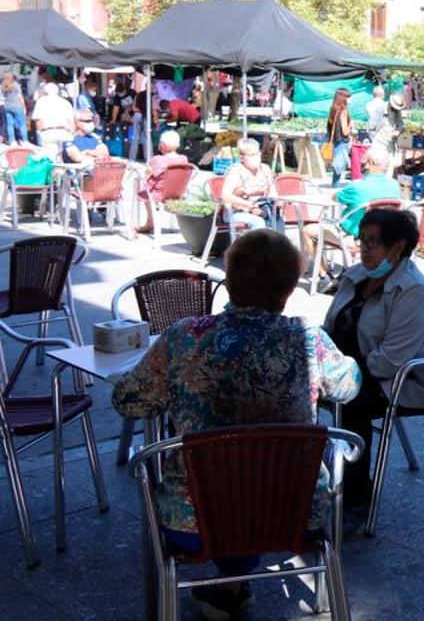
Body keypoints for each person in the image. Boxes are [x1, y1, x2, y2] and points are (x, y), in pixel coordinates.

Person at [111, 230, 361, 616]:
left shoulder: (184, 338)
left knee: (214, 474)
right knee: (261, 469)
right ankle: (232, 585)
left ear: (228, 281)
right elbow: (348, 386)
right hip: (295, 513)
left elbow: (128, 401)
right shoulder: (307, 338)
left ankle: (229, 586)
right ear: (291, 288)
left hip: (193, 521)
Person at [323, 208, 424, 509]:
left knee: (349, 400)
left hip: (402, 380)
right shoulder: (357, 276)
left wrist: (339, 373)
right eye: (362, 239)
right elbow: (331, 326)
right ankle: (302, 477)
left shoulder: (413, 292)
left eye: (373, 242)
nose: (363, 248)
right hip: (354, 365)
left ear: (398, 247)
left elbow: (390, 360)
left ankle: (354, 496)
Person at [302, 146, 402, 291]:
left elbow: (334, 198)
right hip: (384, 239)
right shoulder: (394, 186)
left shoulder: (356, 187)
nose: (361, 162)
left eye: (364, 160)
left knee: (307, 230)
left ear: (370, 163)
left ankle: (324, 277)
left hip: (355, 239)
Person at [222, 138, 282, 236]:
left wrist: (278, 202)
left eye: (257, 154)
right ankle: (256, 250)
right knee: (258, 222)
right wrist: (248, 205)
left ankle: (277, 249)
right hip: (237, 212)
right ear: (242, 157)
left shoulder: (265, 169)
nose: (256, 158)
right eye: (252, 155)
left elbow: (272, 191)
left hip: (262, 208)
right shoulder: (236, 171)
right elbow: (225, 195)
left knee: (278, 220)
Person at [134, 129, 189, 234]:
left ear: (162, 145)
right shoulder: (184, 159)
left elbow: (147, 175)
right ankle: (157, 223)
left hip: (160, 194)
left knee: (143, 188)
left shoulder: (158, 159)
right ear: (177, 145)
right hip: (178, 193)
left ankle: (150, 222)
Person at [30, 82, 75, 155]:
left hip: (49, 133)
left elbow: (38, 120)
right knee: (65, 158)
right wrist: (72, 134)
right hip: (64, 132)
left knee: (51, 159)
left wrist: (40, 133)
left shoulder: (41, 101)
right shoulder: (66, 102)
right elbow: (71, 121)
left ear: (45, 92)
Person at [326, 87, 353, 187]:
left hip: (335, 141)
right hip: (342, 141)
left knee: (337, 166)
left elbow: (330, 124)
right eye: (348, 97)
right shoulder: (343, 111)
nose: (350, 100)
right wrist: (350, 125)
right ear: (343, 98)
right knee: (339, 166)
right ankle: (335, 188)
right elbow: (345, 131)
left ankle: (334, 185)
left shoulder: (333, 109)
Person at [2, 73, 27, 145]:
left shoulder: (3, 85)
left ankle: (12, 141)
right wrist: (24, 107)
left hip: (7, 106)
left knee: (10, 125)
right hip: (16, 105)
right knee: (22, 124)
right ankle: (25, 141)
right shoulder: (16, 85)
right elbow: (20, 97)